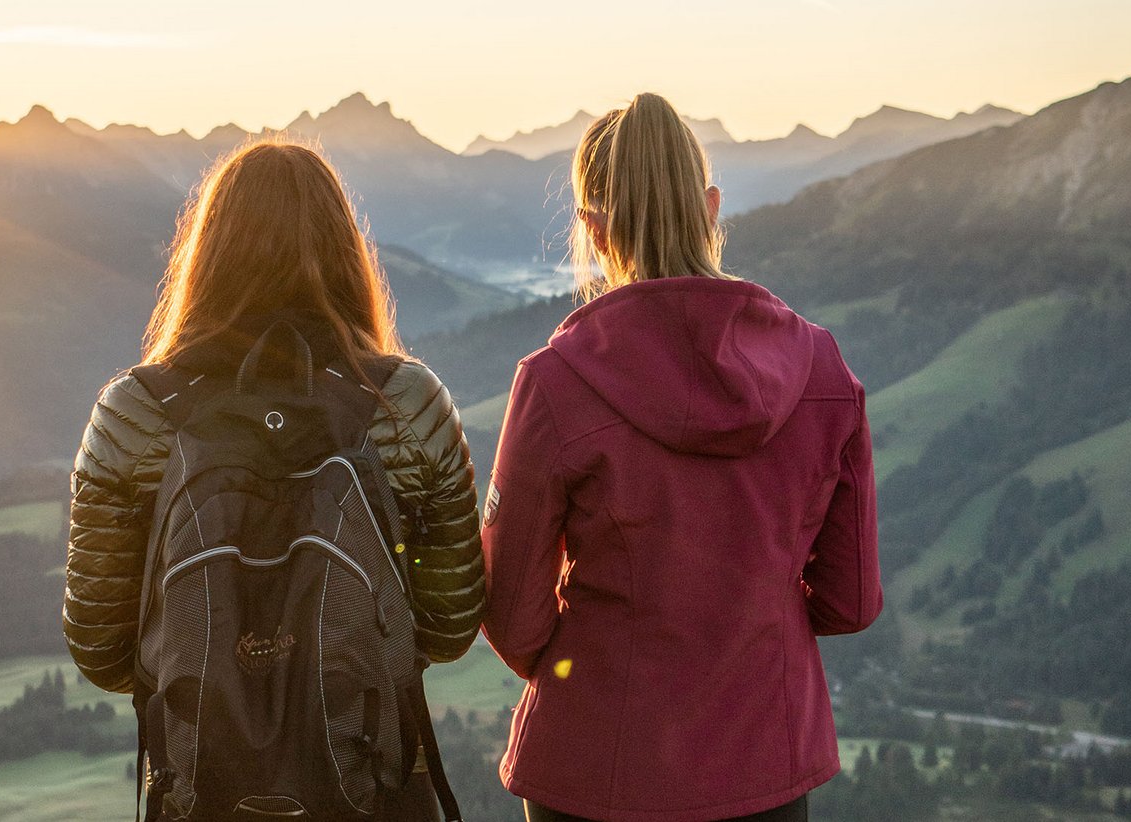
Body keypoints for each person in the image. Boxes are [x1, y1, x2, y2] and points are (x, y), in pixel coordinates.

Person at [480, 93, 881, 822]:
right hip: (768, 759)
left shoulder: (556, 384)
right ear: (711, 207)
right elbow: (849, 600)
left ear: (592, 228)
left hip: (593, 770)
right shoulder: (822, 371)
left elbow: (514, 616)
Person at [63, 138, 484, 819]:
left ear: (205, 254)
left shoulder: (134, 414)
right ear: (348, 253)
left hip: (201, 792)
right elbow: (449, 625)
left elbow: (101, 648)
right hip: (374, 787)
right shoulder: (406, 405)